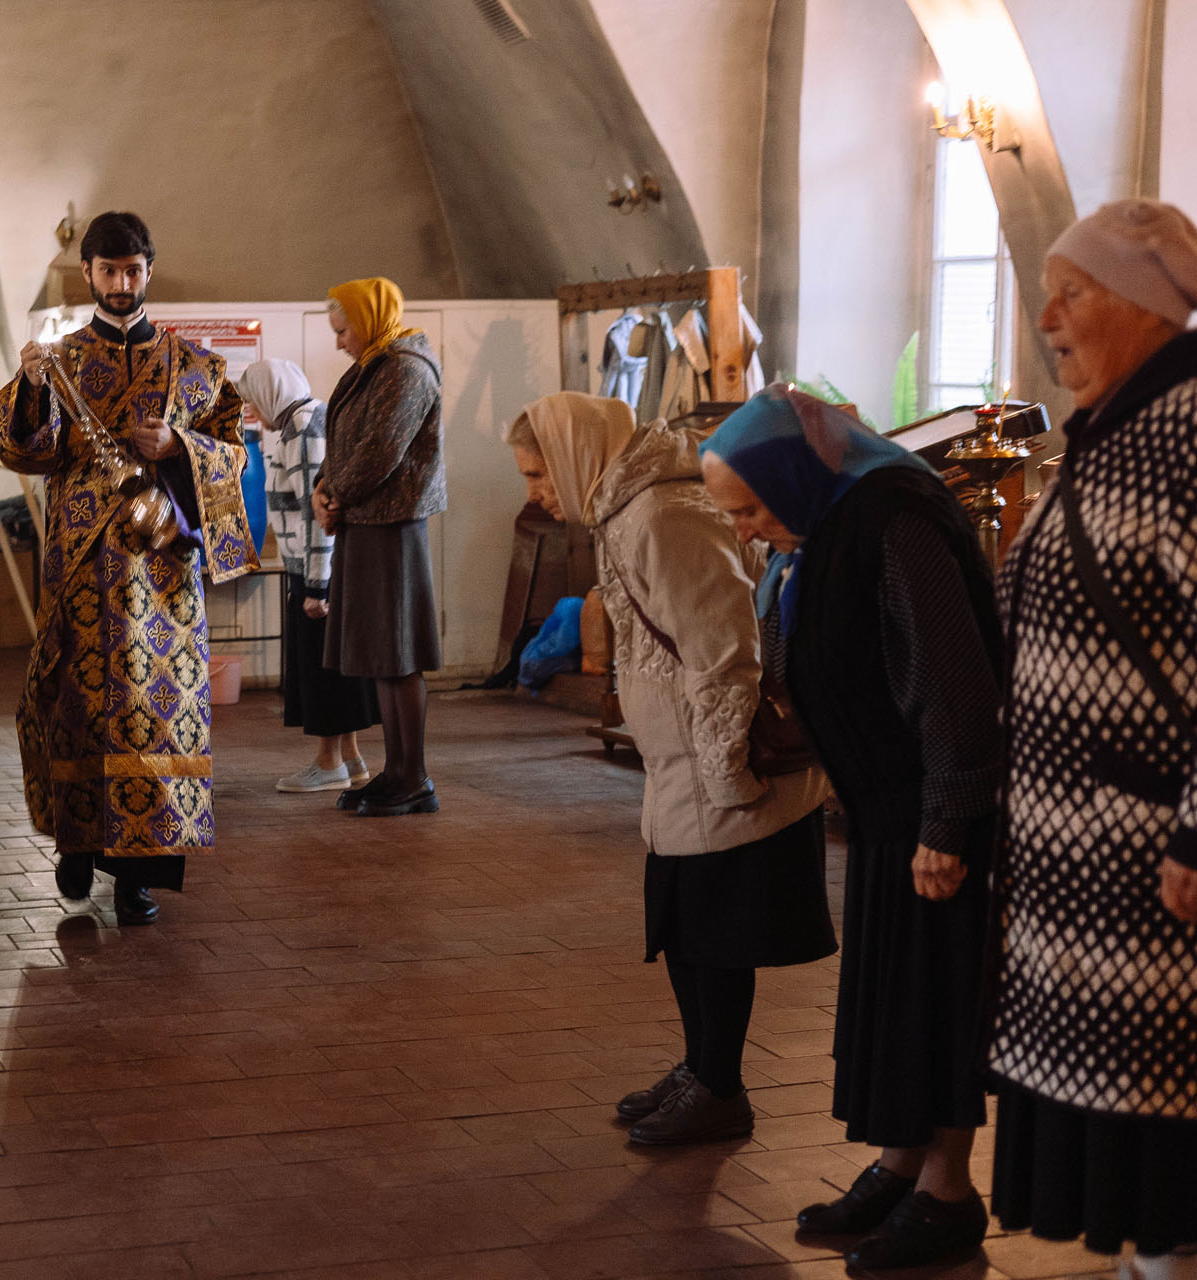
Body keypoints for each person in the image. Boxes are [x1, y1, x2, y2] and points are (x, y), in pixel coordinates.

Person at [700, 385, 1001, 1271]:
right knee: (894, 1000)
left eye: (751, 508)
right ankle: (900, 1168)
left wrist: (947, 822)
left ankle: (948, 1193)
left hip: (932, 811)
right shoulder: (827, 527)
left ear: (794, 472)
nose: (747, 529)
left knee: (934, 1000)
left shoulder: (896, 522)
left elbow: (954, 687)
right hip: (883, 810)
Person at [508, 392, 834, 1145]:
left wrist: (725, 771)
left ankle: (721, 1087)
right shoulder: (625, 508)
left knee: (717, 933)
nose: (536, 491)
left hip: (715, 760)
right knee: (685, 927)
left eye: (538, 473)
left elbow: (723, 648)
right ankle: (699, 1067)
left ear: (576, 455)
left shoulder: (661, 514)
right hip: (680, 762)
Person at [988, 200, 1197, 1280]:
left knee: (1161, 1103)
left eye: (1073, 293)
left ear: (1149, 306)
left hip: (1150, 854)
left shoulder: (1186, 432)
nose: (1047, 317)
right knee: (1123, 1106)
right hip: (1083, 855)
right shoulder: (1109, 431)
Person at [0, 211, 256, 925]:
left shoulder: (195, 366)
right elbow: (24, 447)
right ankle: (77, 845)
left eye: (133, 270)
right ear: (89, 273)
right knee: (76, 706)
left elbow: (234, 455)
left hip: (163, 578)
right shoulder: (60, 360)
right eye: (109, 271)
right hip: (82, 570)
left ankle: (137, 875)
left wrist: (179, 445)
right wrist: (31, 387)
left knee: (153, 718)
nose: (122, 283)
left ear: (149, 270)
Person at [311, 278, 444, 817]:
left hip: (392, 526)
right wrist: (323, 489)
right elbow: (343, 441)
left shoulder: (406, 369)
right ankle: (396, 771)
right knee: (384, 656)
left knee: (399, 655)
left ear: (368, 320)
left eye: (344, 330)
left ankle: (414, 778)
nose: (339, 341)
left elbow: (382, 449)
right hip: (365, 521)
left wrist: (335, 494)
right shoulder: (374, 366)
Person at [235, 358, 378, 793]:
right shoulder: (307, 419)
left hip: (317, 571)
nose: (252, 411)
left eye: (254, 401)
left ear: (272, 392)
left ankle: (327, 763)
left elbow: (316, 512)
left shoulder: (302, 426)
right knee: (335, 667)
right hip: (321, 568)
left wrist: (316, 586)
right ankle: (350, 760)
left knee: (322, 670)